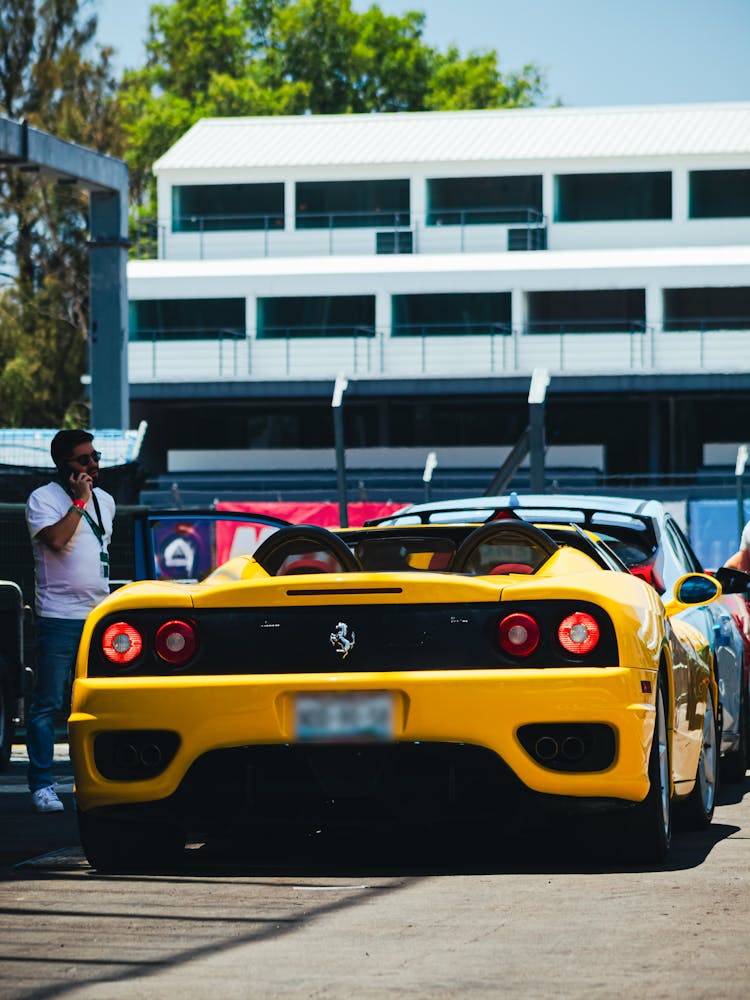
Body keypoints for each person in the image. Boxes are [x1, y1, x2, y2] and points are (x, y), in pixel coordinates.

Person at [25, 430, 115, 812]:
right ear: (63, 465)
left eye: (94, 457)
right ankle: (43, 784)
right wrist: (79, 503)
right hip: (59, 617)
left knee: (103, 701)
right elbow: (58, 542)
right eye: (83, 459)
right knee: (48, 703)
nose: (92, 464)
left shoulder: (107, 501)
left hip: (98, 616)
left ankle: (101, 777)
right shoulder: (43, 499)